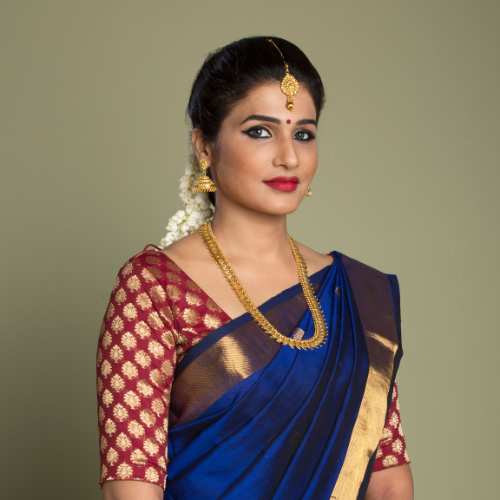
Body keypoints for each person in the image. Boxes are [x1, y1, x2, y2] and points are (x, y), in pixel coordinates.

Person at [96, 36, 414, 500]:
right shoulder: (155, 289)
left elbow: (389, 480)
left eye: (303, 134)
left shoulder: (353, 294)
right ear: (204, 146)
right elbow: (130, 487)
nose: (289, 156)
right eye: (260, 131)